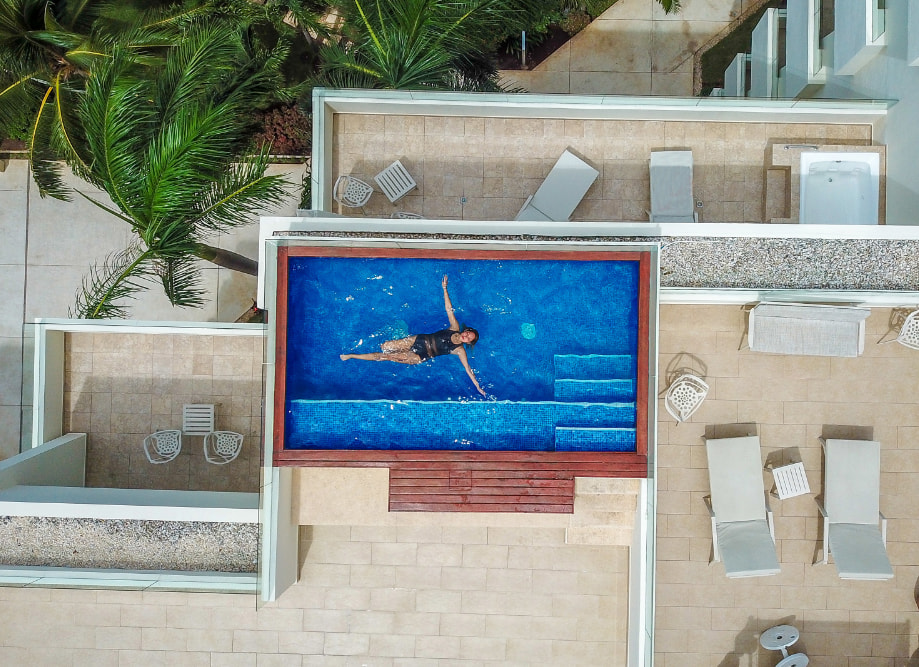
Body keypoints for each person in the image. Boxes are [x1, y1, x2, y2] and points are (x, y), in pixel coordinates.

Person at [340, 275, 486, 396]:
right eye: (468, 333)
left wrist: (477, 387)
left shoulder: (460, 350)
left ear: (467, 343)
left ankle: (352, 355)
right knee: (385, 346)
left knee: (385, 356)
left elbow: (468, 369)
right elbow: (449, 309)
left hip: (420, 356)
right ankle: (398, 332)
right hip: (418, 340)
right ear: (465, 330)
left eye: (469, 339)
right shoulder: (454, 327)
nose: (466, 336)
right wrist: (445, 289)